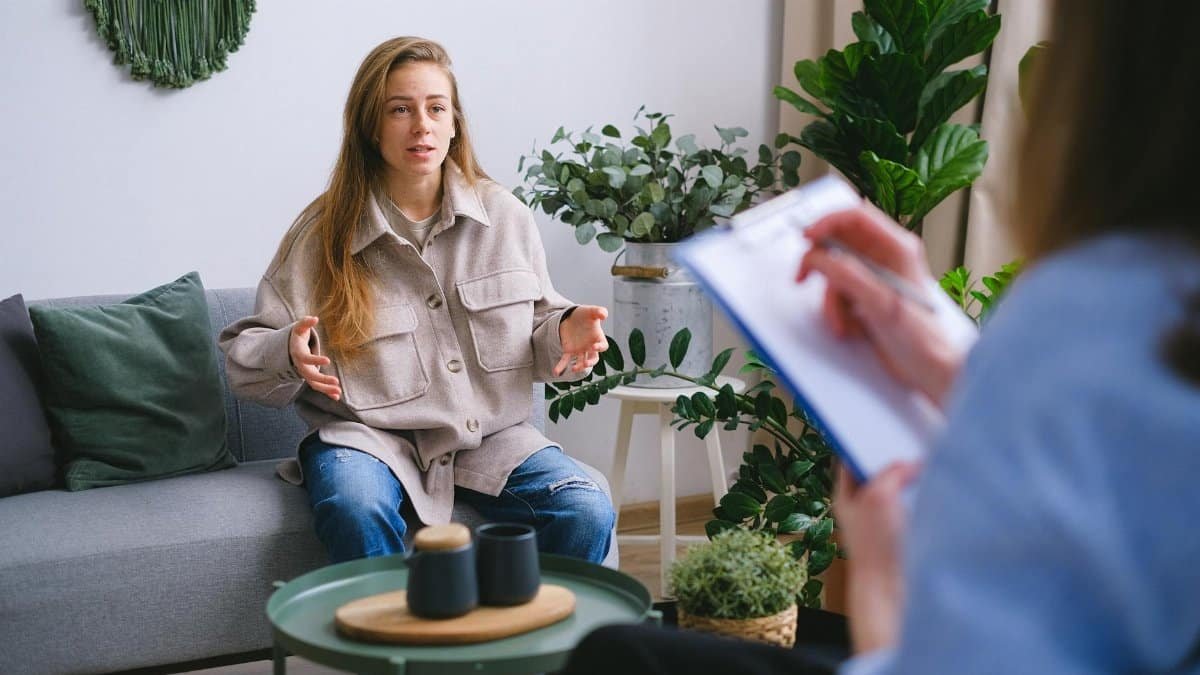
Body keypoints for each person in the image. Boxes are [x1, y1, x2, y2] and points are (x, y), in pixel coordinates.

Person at [562, 0, 1200, 672]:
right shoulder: (1149, 321)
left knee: (621, 654)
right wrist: (955, 358)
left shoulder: (1112, 303)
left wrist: (883, 577)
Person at [219, 37, 615, 565]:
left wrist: (565, 332)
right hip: (365, 441)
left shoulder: (506, 217)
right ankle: (390, 646)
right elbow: (244, 359)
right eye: (399, 109)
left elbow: (540, 330)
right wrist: (287, 354)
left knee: (585, 508)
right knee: (354, 506)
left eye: (436, 108)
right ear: (370, 126)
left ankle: (531, 647)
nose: (421, 125)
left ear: (455, 124)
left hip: (490, 440)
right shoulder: (320, 235)